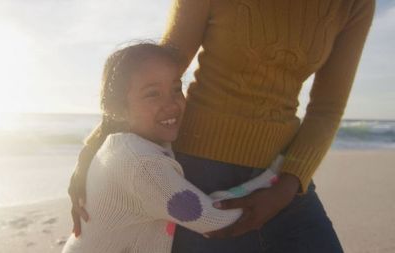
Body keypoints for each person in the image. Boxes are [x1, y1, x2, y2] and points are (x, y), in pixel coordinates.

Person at [69, 0, 375, 252]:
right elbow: (156, 72)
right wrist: (93, 153)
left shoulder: (355, 5)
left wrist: (289, 183)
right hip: (196, 172)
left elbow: (327, 107)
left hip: (285, 175)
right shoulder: (147, 168)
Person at [61, 43, 282, 253]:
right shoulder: (142, 164)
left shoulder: (120, 145)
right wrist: (273, 177)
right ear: (118, 108)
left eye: (177, 89)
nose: (172, 104)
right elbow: (214, 219)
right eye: (152, 94)